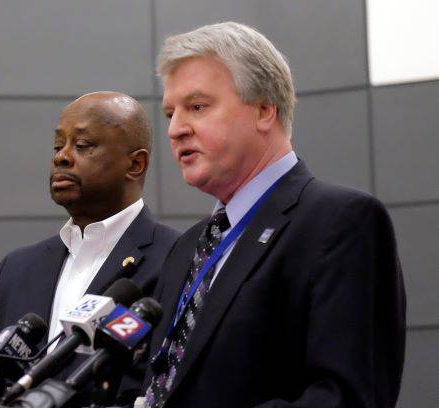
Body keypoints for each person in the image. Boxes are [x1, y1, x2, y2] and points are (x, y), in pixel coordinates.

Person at [139, 22, 405, 408]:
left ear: (264, 110)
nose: (175, 130)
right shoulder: (186, 249)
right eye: (169, 114)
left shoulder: (342, 222)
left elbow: (345, 396)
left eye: (197, 107)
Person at [0, 91, 180, 402]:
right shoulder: (17, 269)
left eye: (82, 145)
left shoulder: (179, 258)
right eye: (57, 145)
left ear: (135, 164)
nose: (61, 157)